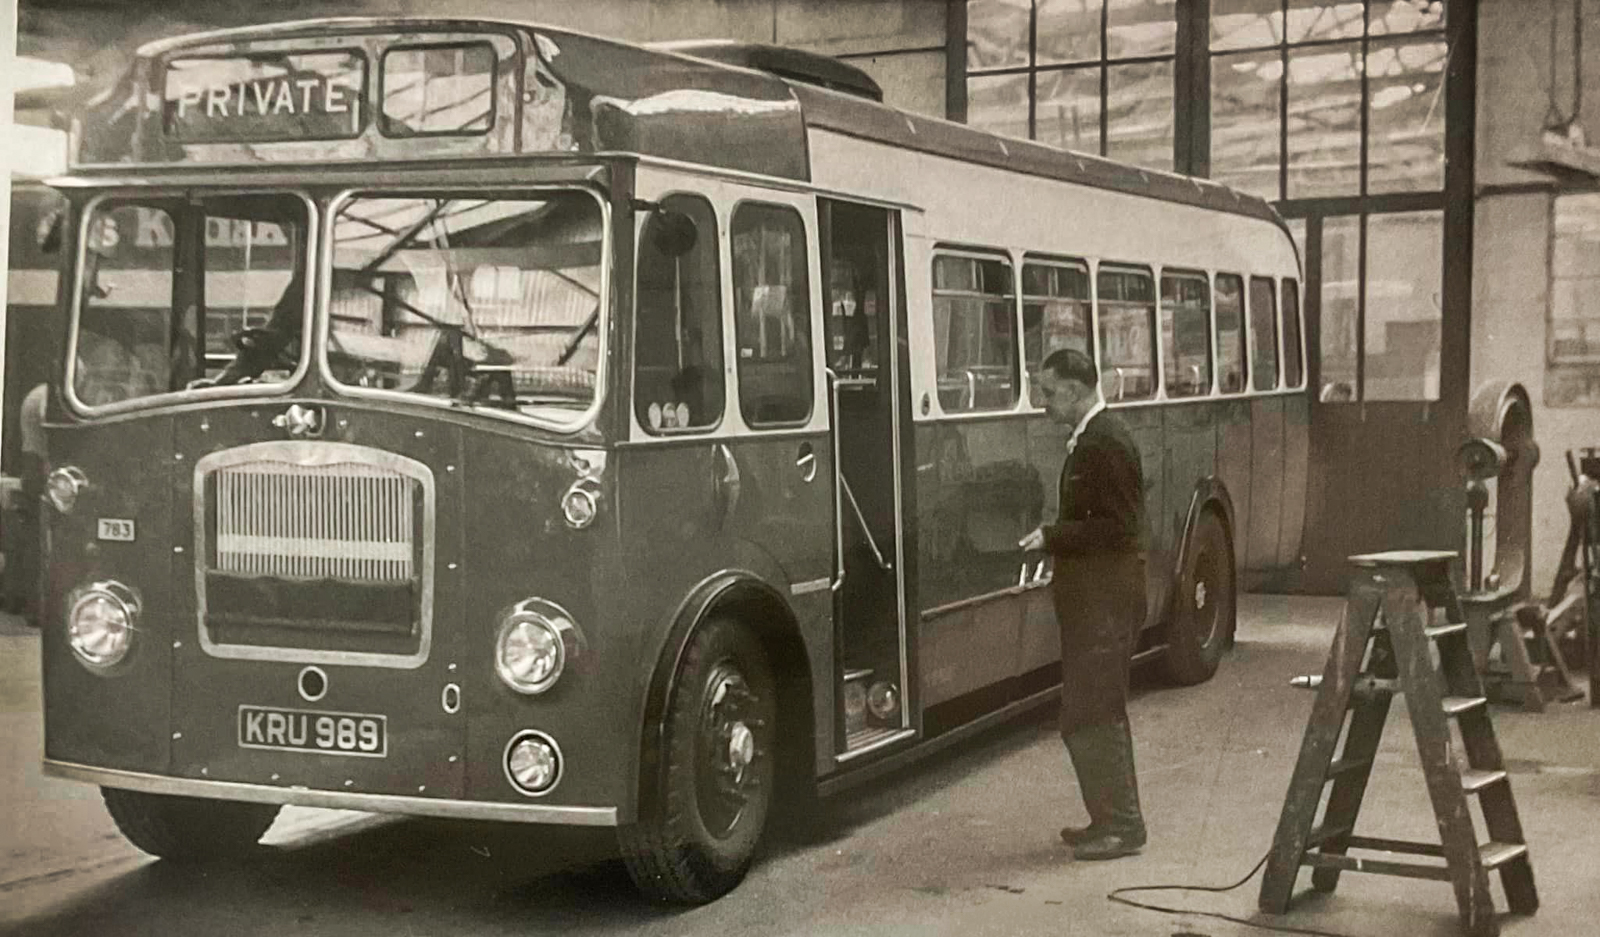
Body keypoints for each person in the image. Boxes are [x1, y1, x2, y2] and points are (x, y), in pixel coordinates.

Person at [1019, 348, 1148, 861]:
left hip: (1106, 603)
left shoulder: (1105, 442)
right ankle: (1106, 819)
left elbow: (1119, 527)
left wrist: (1053, 537)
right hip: (1097, 602)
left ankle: (1124, 826)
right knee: (1084, 713)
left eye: (1049, 392)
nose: (1043, 402)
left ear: (1074, 390)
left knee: (1096, 712)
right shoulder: (1094, 438)